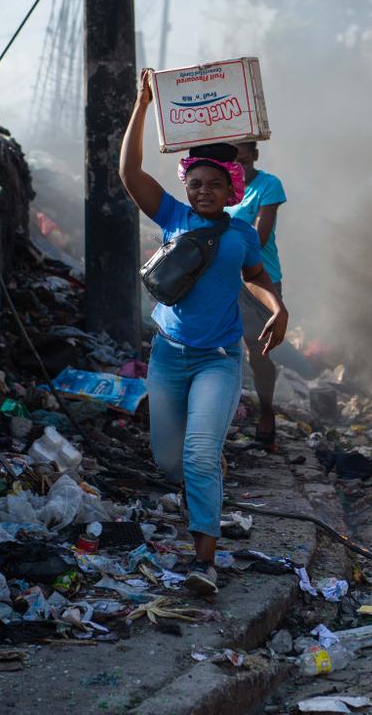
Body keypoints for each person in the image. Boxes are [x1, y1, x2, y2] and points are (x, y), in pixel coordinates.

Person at [119, 69, 288, 596]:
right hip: (168, 357)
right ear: (186, 187)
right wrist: (143, 104)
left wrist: (277, 308)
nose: (205, 191)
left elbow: (255, 278)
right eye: (197, 183)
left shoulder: (240, 234)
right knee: (170, 460)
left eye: (215, 184)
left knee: (196, 455)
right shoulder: (171, 217)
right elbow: (129, 171)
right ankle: (204, 470)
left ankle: (204, 562)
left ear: (230, 188)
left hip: (218, 358)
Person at [225, 141, 287, 451]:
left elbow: (259, 238)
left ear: (255, 157)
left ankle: (266, 411)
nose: (239, 167)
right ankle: (220, 418)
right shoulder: (217, 183)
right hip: (224, 278)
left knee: (258, 352)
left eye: (245, 161)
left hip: (261, 280)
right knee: (219, 349)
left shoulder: (268, 185)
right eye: (233, 162)